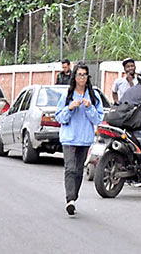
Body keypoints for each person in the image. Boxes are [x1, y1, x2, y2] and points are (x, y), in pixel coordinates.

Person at [53, 62, 103, 216]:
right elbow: (59, 117)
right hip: (69, 138)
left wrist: (89, 107)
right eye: (79, 74)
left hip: (84, 139)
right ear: (74, 77)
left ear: (88, 77)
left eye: (84, 75)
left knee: (79, 170)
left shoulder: (93, 95)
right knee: (70, 167)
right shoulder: (67, 95)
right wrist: (70, 108)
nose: (82, 78)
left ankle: (74, 196)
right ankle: (70, 199)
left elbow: (98, 119)